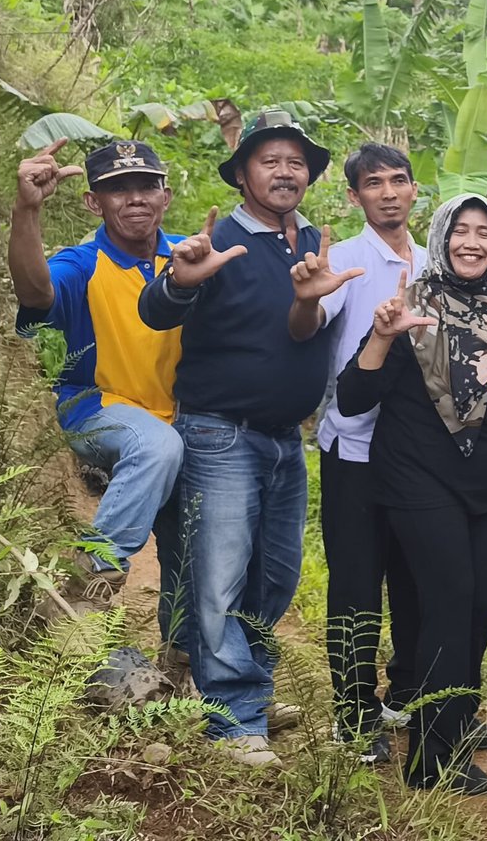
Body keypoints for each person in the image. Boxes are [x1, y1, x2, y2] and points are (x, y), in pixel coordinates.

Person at [138, 109, 334, 767]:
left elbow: (304, 330)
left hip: (285, 441)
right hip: (220, 434)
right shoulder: (215, 241)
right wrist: (177, 280)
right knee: (220, 580)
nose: (285, 171)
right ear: (243, 174)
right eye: (269, 160)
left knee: (274, 577)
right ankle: (234, 720)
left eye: (295, 161)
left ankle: (244, 686)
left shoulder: (309, 241)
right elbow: (156, 309)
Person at [337, 194, 487, 795]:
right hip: (415, 478)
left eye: (484, 232)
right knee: (449, 601)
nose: (472, 242)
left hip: (483, 480)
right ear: (442, 235)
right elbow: (352, 399)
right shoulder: (411, 305)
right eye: (461, 231)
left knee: (478, 607)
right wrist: (380, 335)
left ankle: (452, 715)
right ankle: (430, 758)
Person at [9, 139, 185, 629]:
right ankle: (88, 585)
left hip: (181, 418)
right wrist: (27, 210)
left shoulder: (188, 258)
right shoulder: (83, 263)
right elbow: (35, 290)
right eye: (117, 188)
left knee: (193, 551)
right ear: (93, 202)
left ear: (165, 196)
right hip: (99, 408)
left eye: (146, 185)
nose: (134, 198)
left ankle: (179, 671)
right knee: (157, 446)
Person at [285, 143, 423, 764]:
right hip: (357, 448)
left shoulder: (435, 260)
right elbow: (305, 328)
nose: (389, 192)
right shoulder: (342, 262)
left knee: (416, 579)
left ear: (415, 189)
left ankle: (406, 693)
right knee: (357, 585)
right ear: (354, 196)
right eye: (375, 183)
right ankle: (355, 713)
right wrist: (309, 296)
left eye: (399, 181)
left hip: (422, 455)